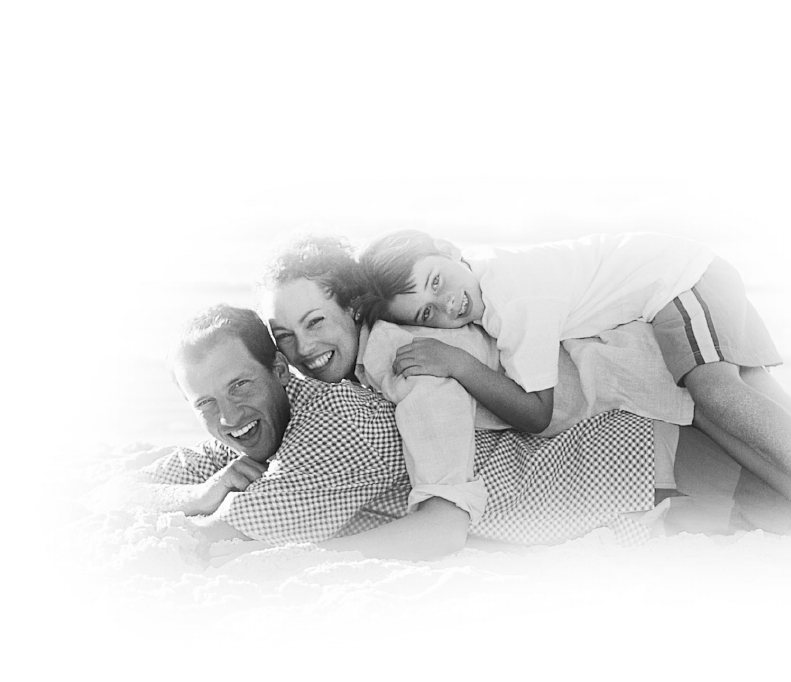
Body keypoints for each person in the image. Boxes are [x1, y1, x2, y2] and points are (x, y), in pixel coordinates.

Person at [124, 303, 791, 562]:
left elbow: (231, 533)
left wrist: (203, 505)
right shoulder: (260, 424)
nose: (228, 417)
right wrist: (194, 489)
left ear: (277, 369)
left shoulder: (333, 425)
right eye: (205, 403)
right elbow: (140, 483)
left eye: (240, 387)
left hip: (645, 466)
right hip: (627, 476)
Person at [354, 229, 791, 486]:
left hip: (681, 278)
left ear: (447, 249)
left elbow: (538, 414)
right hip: (671, 289)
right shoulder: (488, 282)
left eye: (435, 281)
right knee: (715, 412)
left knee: (715, 393)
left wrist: (459, 364)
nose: (447, 304)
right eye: (426, 314)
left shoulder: (512, 295)